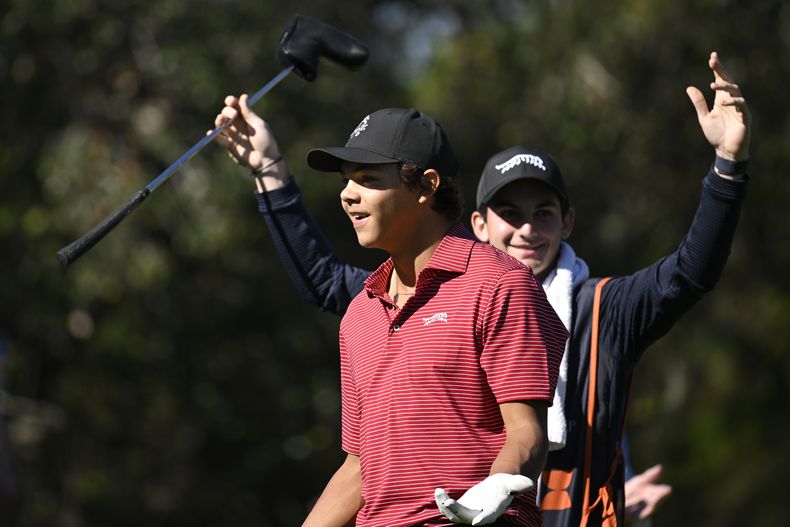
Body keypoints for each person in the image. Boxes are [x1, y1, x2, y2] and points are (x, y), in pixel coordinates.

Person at [214, 50, 749, 525]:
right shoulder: (376, 304)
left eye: (544, 214)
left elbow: (688, 274)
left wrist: (727, 166)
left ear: (568, 224)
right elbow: (361, 457)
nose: (526, 230)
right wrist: (269, 170)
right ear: (478, 224)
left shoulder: (591, 305)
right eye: (508, 213)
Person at [216, 106, 569, 526]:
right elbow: (359, 468)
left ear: (426, 185)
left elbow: (526, 432)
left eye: (367, 180)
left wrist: (496, 485)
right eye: (346, 180)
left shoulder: (500, 283)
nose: (348, 194)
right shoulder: (362, 312)